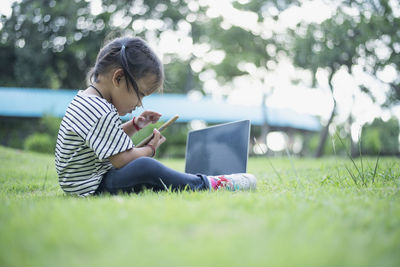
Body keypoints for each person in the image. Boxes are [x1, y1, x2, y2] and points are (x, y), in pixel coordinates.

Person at [55, 36, 256, 197]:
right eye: (140, 94)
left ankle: (196, 180)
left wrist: (135, 125)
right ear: (118, 78)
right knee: (145, 166)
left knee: (142, 164)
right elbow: (121, 159)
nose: (139, 103)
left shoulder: (86, 101)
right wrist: (149, 150)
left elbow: (106, 139)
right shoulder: (100, 111)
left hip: (79, 184)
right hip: (93, 186)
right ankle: (211, 184)